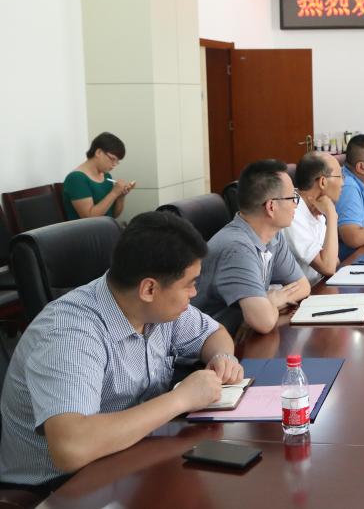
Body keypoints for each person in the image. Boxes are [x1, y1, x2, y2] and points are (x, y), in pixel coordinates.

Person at [0, 211, 244, 492]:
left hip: (134, 455)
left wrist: (222, 357)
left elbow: (214, 333)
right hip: (61, 486)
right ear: (149, 288)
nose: (194, 293)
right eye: (189, 284)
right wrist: (181, 399)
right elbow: (71, 448)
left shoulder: (156, 307)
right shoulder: (69, 333)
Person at [192, 160, 311, 334]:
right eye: (292, 197)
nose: (296, 204)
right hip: (207, 346)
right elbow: (264, 322)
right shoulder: (237, 248)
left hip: (240, 336)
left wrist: (270, 303)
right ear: (271, 207)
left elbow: (302, 286)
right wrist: (271, 302)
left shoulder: (273, 235)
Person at [283, 151, 343, 283]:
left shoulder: (318, 207)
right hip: (300, 293)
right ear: (323, 182)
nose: (343, 183)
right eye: (340, 176)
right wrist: (332, 215)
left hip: (318, 286)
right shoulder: (292, 213)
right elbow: (328, 267)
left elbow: (335, 261)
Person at [62, 132, 136, 220]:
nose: (114, 164)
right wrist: (114, 193)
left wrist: (120, 196)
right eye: (112, 159)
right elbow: (89, 218)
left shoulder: (107, 176)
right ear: (98, 152)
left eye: (117, 161)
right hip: (86, 228)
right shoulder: (76, 178)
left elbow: (113, 215)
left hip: (105, 226)